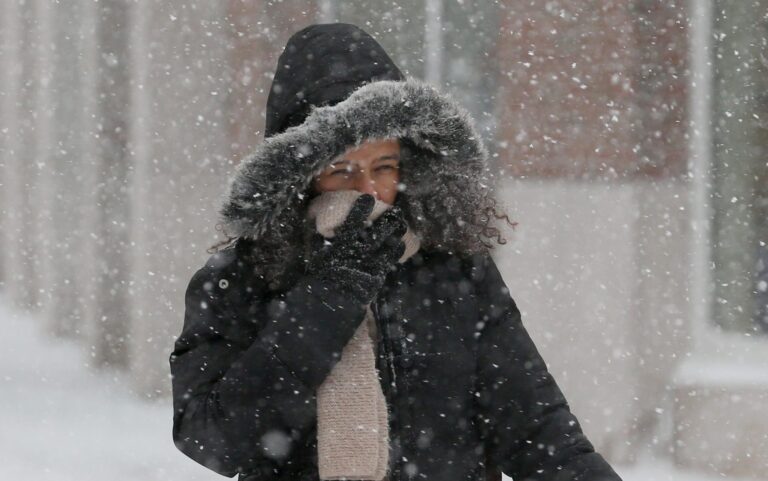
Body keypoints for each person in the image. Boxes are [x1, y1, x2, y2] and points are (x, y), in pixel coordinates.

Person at [169, 23, 623, 481]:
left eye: (383, 167)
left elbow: (539, 432)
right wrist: (328, 300)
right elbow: (213, 438)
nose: (368, 190)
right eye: (343, 171)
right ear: (301, 177)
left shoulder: (454, 270)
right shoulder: (242, 279)